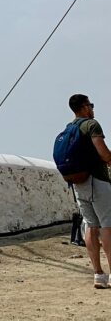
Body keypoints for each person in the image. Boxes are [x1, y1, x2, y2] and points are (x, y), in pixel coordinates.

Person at [66, 94, 111, 289]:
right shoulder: (91, 124)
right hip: (97, 180)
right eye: (90, 105)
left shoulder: (69, 128)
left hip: (78, 184)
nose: (92, 108)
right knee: (107, 226)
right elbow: (102, 152)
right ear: (84, 107)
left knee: (91, 226)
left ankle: (98, 275)